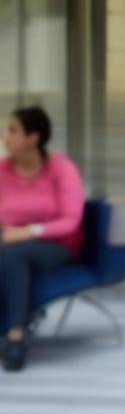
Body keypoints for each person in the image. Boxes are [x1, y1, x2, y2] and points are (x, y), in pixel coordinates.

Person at [0, 106, 85, 371]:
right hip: (9, 242)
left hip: (56, 244)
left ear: (32, 138)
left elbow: (71, 220)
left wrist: (28, 232)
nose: (5, 136)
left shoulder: (60, 168)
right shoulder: (3, 169)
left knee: (13, 255)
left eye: (13, 130)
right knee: (10, 253)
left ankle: (15, 334)